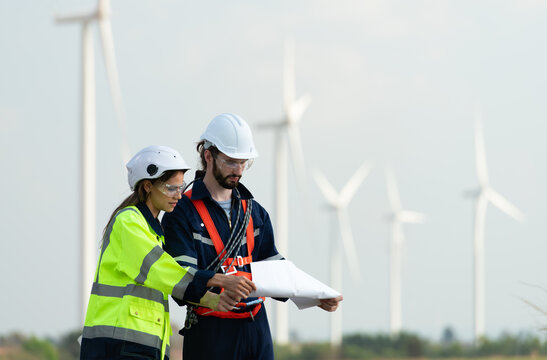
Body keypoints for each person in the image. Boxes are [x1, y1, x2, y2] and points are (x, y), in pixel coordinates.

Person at [162, 113, 343, 360]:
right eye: (231, 162)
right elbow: (179, 278)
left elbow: (274, 267)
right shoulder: (181, 212)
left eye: (244, 162)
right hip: (210, 332)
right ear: (208, 156)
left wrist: (313, 295)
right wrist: (223, 282)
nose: (238, 171)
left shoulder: (255, 212)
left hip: (255, 328)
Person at [80, 145, 256, 360]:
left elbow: (165, 280)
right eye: (171, 188)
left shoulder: (154, 232)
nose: (179, 196)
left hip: (141, 345)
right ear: (147, 186)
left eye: (180, 187)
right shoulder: (128, 222)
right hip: (119, 344)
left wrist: (212, 301)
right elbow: (160, 270)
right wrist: (219, 280)